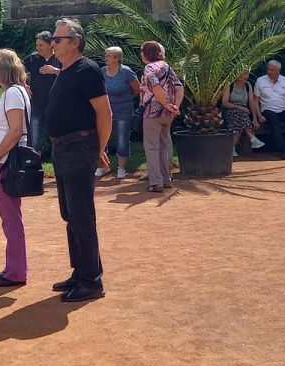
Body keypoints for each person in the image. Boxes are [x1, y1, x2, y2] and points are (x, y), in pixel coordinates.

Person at [45, 19, 111, 302]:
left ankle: (91, 282)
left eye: (57, 39)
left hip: (79, 147)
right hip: (63, 149)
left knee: (81, 216)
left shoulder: (88, 70)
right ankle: (81, 272)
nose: (53, 43)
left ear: (75, 41)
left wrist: (99, 149)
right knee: (70, 215)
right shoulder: (66, 71)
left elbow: (105, 113)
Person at [0, 48, 32, 286]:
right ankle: (14, 268)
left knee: (11, 219)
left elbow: (16, 130)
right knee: (10, 218)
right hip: (5, 162)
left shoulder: (12, 93)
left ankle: (17, 272)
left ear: (0, 70)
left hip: (5, 163)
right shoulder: (15, 91)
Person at [138, 41, 182, 192]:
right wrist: (175, 106)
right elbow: (179, 87)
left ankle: (156, 182)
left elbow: (155, 87)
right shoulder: (167, 66)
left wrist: (166, 104)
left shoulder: (149, 68)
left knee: (152, 147)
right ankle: (166, 179)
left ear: (146, 54)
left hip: (153, 112)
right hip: (168, 114)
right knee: (164, 147)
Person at [100, 46, 140, 178]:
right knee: (102, 138)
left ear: (116, 58)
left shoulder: (126, 72)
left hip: (124, 110)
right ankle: (103, 166)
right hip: (106, 111)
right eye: (106, 55)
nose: (105, 58)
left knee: (122, 138)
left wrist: (126, 99)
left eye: (108, 56)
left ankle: (121, 168)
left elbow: (136, 89)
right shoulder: (102, 71)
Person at [252, 59, 285, 160]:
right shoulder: (260, 81)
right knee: (273, 119)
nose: (269, 72)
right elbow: (255, 100)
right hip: (267, 110)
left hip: (283, 110)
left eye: (272, 70)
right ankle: (283, 149)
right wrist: (259, 116)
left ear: (278, 71)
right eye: (268, 69)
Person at [22, 31, 60, 152]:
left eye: (41, 45)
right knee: (35, 140)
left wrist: (55, 71)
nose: (37, 48)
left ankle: (59, 162)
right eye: (37, 45)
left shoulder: (60, 57)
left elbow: (71, 74)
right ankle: (35, 162)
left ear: (50, 45)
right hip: (36, 104)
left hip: (55, 105)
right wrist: (23, 84)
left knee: (57, 138)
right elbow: (16, 69)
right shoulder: (33, 58)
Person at [221, 68, 263, 154]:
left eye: (247, 74)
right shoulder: (230, 85)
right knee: (239, 114)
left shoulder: (248, 85)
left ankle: (232, 149)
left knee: (238, 122)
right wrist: (240, 107)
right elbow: (225, 103)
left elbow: (251, 102)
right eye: (243, 74)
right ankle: (251, 137)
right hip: (230, 110)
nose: (246, 76)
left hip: (243, 113)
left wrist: (255, 119)